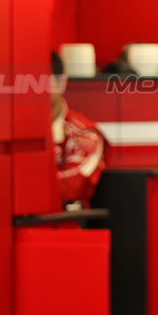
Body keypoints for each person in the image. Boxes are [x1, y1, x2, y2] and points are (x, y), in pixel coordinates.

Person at [51, 51, 106, 208]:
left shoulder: (84, 133)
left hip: (66, 225)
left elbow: (73, 186)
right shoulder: (13, 133)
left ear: (60, 82)